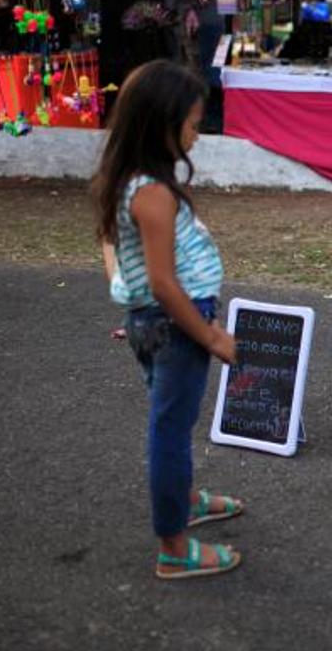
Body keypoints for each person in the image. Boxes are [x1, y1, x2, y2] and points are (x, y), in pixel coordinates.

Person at [92, 60, 244, 580]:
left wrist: (134, 310)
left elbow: (117, 254)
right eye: (192, 125)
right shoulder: (152, 193)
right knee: (172, 430)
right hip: (177, 324)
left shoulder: (127, 182)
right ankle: (174, 545)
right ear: (162, 124)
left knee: (171, 420)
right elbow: (163, 281)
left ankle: (181, 499)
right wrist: (211, 337)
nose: (196, 137)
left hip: (155, 322)